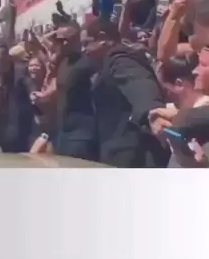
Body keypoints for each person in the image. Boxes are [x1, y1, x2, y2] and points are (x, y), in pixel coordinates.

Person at [82, 18, 169, 168]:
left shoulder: (120, 59)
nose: (84, 50)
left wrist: (154, 113)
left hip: (130, 153)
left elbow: (140, 85)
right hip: (118, 149)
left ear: (102, 38)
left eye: (86, 43)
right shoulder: (106, 63)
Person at [52, 23, 98, 162]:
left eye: (65, 40)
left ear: (76, 40)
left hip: (81, 132)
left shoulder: (88, 64)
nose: (62, 44)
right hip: (63, 130)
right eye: (59, 40)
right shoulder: (63, 62)